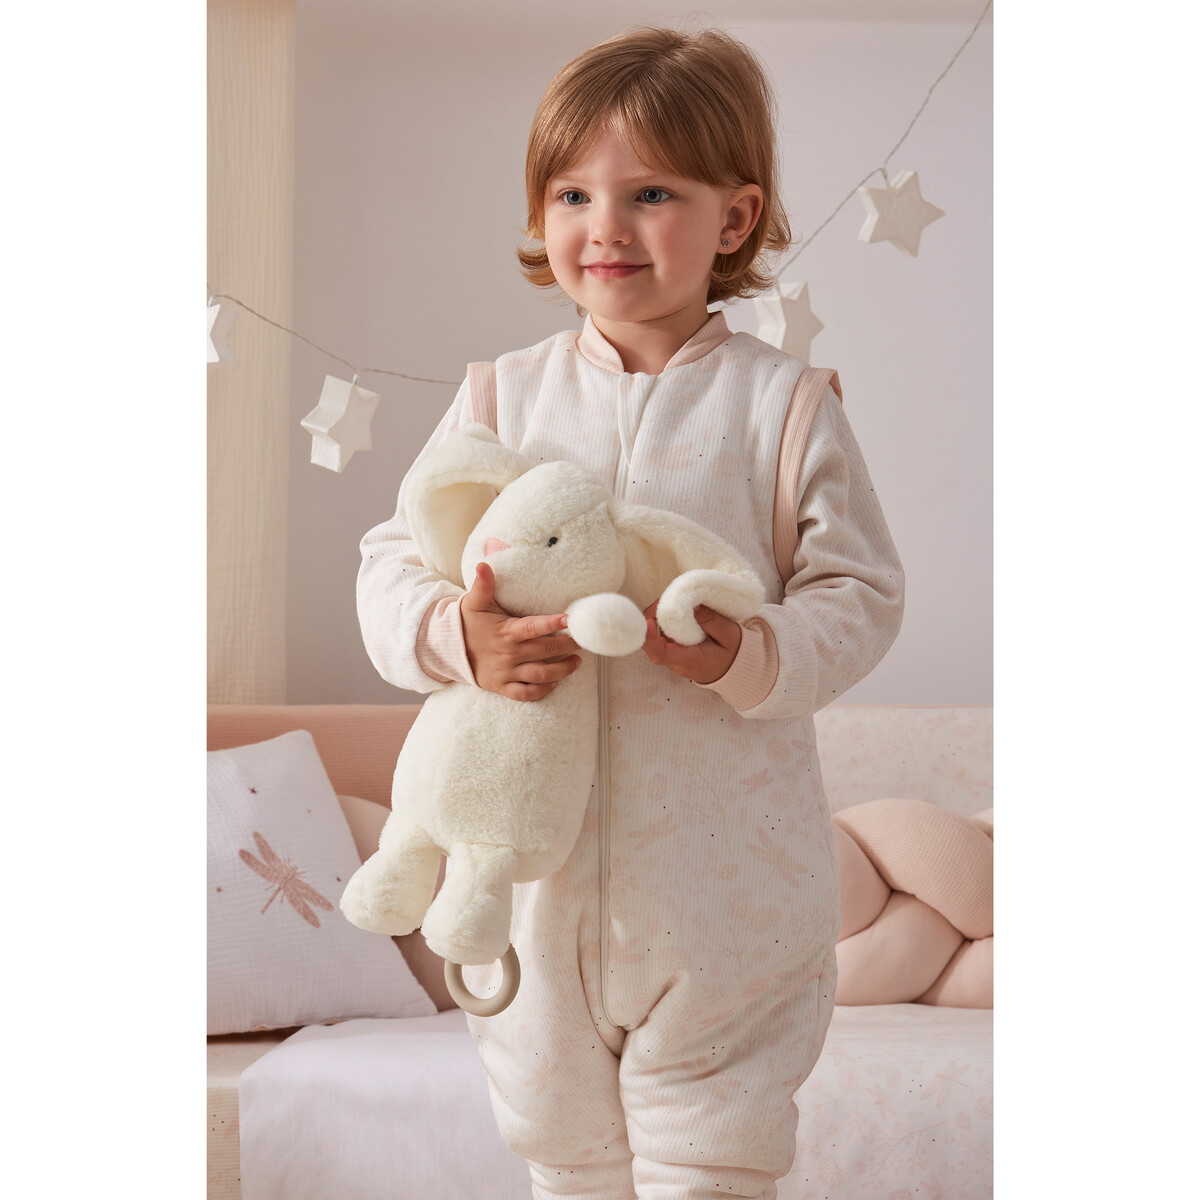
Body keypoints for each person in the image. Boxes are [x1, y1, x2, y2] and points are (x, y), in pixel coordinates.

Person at [357, 25, 904, 1200]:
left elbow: (860, 593)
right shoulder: (499, 400)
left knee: (712, 1163)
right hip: (535, 887)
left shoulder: (783, 409)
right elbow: (393, 561)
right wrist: (458, 637)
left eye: (650, 193)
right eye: (573, 194)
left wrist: (751, 655)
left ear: (735, 219)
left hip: (726, 892)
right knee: (567, 1159)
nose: (604, 226)